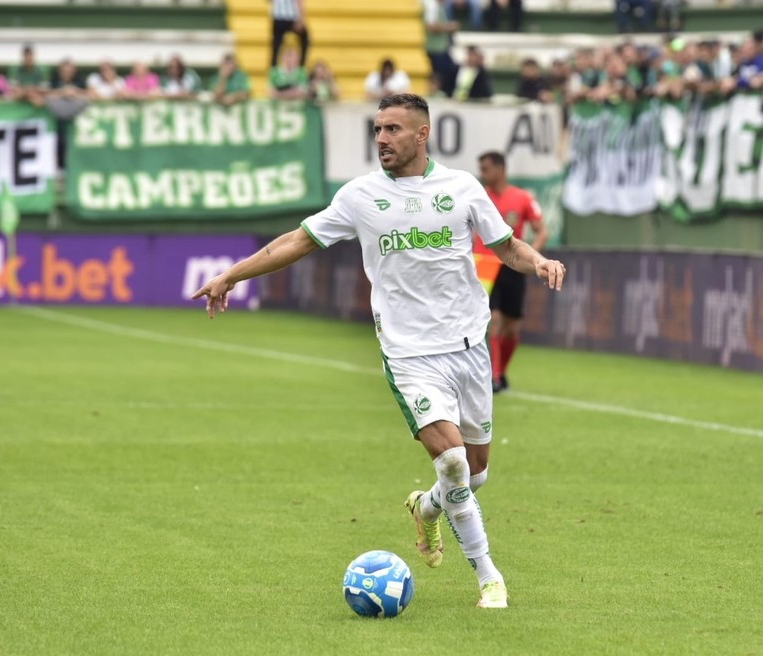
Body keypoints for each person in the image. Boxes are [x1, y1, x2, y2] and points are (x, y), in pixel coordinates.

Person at [191, 93, 566, 610]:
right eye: (378, 129)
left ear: (421, 134)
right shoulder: (360, 196)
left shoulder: (461, 188)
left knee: (475, 474)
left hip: (469, 346)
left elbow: (506, 247)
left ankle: (427, 508)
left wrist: (540, 261)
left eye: (393, 129)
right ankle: (489, 577)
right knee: (454, 462)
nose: (382, 139)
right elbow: (295, 242)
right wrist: (230, 274)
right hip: (409, 353)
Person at [475, 151, 547, 392]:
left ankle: (501, 372)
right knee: (493, 320)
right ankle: (494, 377)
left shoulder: (523, 198)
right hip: (484, 266)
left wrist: (533, 258)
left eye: (486, 169)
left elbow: (541, 232)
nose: (482, 174)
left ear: (501, 170)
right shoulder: (478, 198)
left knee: (512, 326)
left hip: (513, 267)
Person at [270, 0, 308, 68]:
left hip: (278, 17)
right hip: (291, 17)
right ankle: (301, 65)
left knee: (276, 46)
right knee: (305, 41)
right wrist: (301, 18)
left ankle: (274, 67)